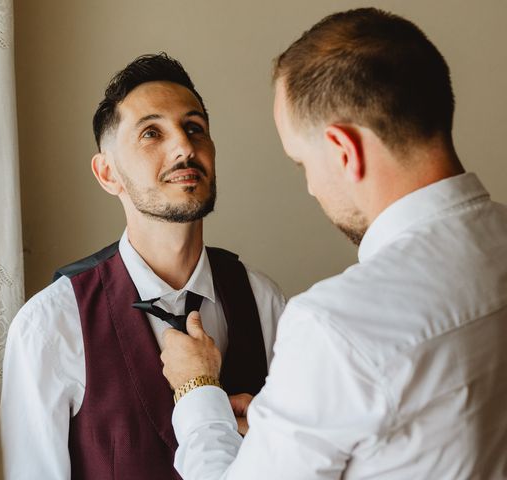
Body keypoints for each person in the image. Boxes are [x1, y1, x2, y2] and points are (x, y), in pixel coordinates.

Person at [160, 8, 507, 480]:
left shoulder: (335, 327)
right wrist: (298, 415)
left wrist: (198, 391)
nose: (311, 189)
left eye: (302, 163)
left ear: (344, 150)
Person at [0, 53, 286, 479]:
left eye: (194, 129)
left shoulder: (264, 301)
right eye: (152, 133)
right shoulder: (51, 325)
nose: (184, 147)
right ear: (108, 173)